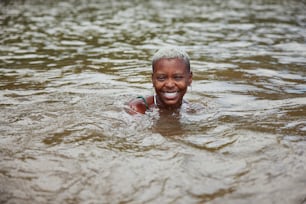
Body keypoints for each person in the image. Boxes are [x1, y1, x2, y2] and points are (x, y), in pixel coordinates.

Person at [128, 46, 193, 114]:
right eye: (161, 78)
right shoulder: (137, 108)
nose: (169, 85)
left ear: (189, 79)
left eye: (177, 77)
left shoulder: (190, 109)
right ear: (153, 79)